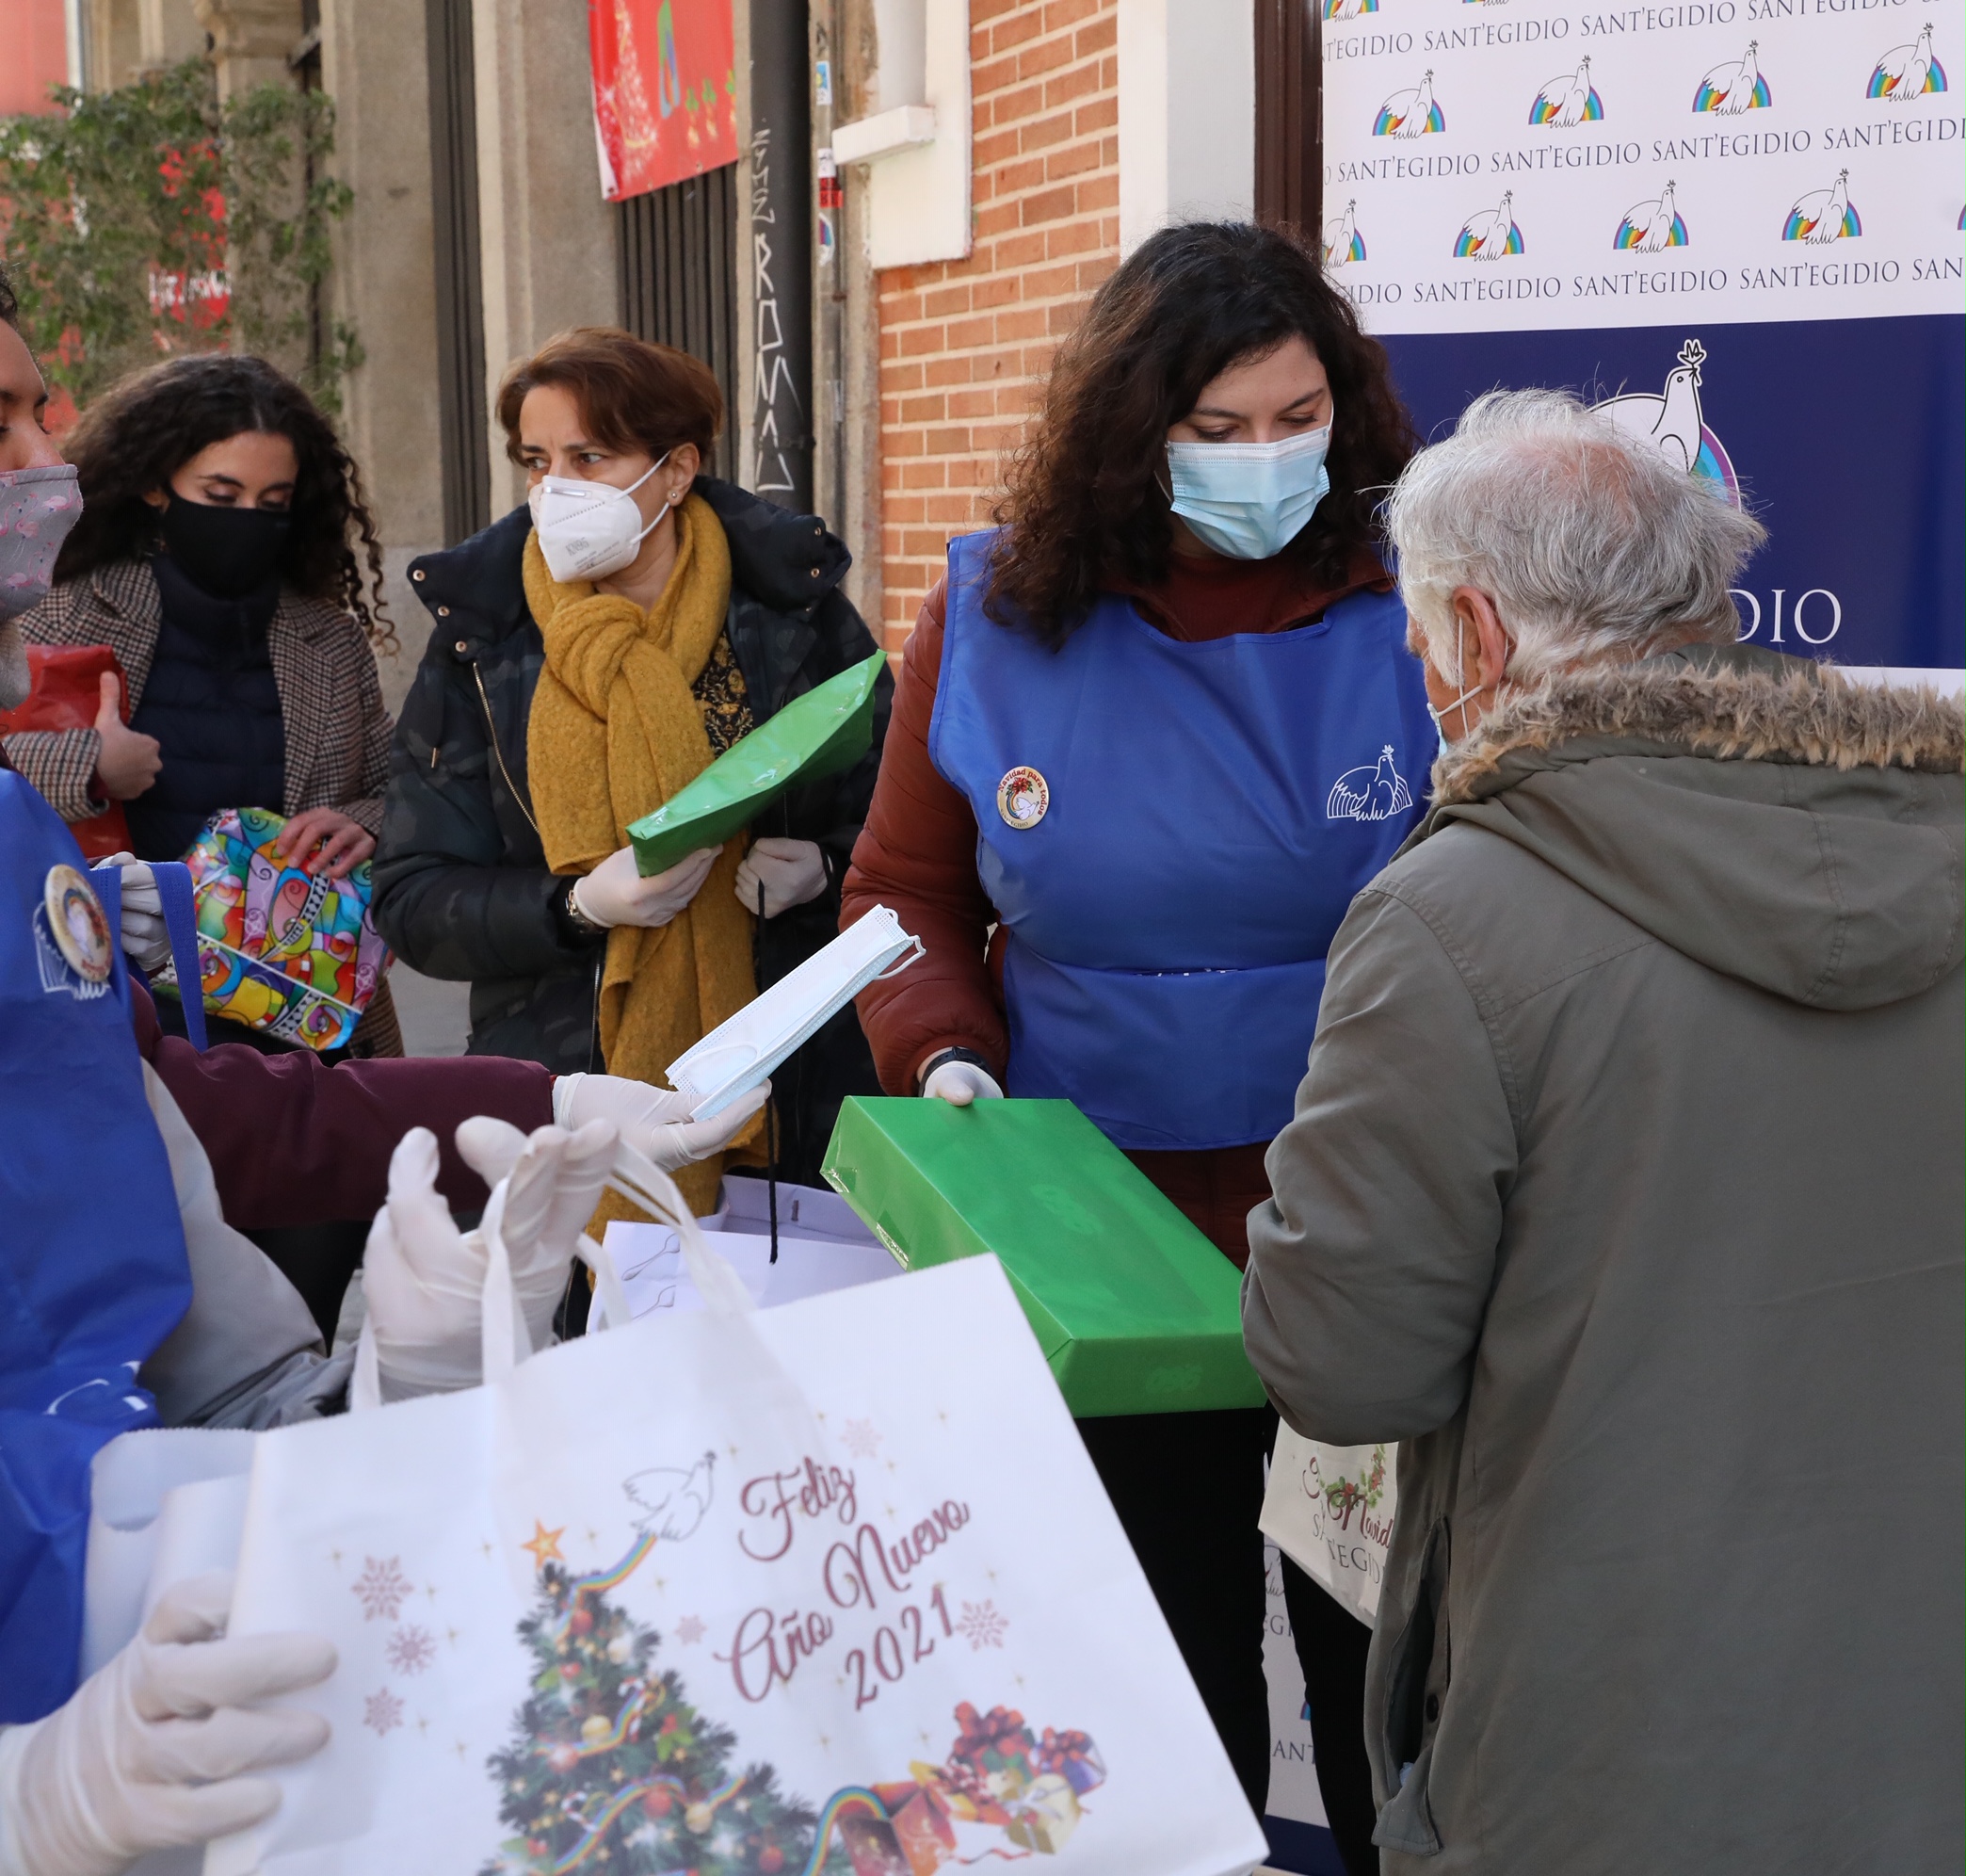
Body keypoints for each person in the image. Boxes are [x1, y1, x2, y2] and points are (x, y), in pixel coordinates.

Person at [1240, 386, 1966, 1872]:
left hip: (1602, 1749)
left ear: (1478, 635)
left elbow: (1346, 1364)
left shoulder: (1448, 917)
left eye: (1421, 639)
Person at [842, 220, 1433, 1833]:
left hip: (1375, 1209)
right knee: (1162, 1669)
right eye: (1215, 427)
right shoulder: (996, 612)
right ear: (1131, 430)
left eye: (1296, 418)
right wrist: (939, 1048)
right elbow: (901, 889)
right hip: (1102, 1231)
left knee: (1388, 1674)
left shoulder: (1425, 592)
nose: (1263, 458)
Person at [373, 328, 889, 1218]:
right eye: (536, 462)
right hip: (564, 1099)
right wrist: (575, 906)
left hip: (787, 1088)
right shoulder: (483, 643)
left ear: (677, 470)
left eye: (590, 458)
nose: (555, 490)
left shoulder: (792, 616)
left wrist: (827, 868)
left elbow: (903, 832)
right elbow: (413, 898)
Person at [2, 351, 402, 1057]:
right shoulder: (62, 610)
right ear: (157, 486)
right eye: (221, 494)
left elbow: (403, 791)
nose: (247, 519)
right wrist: (91, 765)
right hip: (124, 1018)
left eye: (272, 503)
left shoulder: (331, 641)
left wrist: (363, 827)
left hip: (303, 1016)